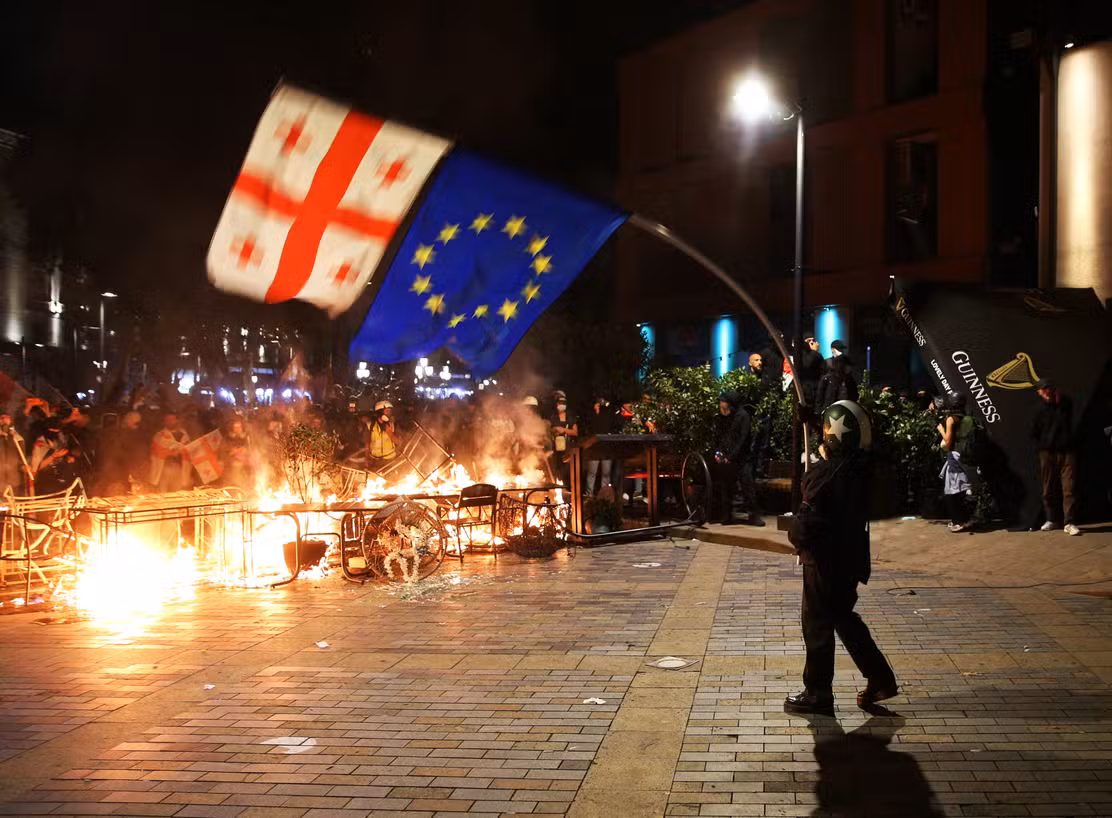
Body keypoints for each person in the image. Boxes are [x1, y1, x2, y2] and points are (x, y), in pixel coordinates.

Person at [785, 400, 898, 714]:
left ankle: (817, 691)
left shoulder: (825, 475)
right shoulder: (864, 465)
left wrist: (796, 533)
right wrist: (814, 421)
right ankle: (880, 679)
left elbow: (806, 524)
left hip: (825, 559)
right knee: (843, 618)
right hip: (850, 557)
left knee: (817, 622)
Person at [1031, 379, 1079, 536]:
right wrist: (1043, 447)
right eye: (1042, 389)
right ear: (1038, 392)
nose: (1046, 392)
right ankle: (1051, 519)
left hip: (1066, 451)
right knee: (1047, 488)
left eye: (1048, 388)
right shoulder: (1038, 410)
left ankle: (1069, 522)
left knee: (1069, 488)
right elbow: (1034, 432)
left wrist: (1057, 400)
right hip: (1047, 452)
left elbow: (1067, 415)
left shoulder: (1065, 405)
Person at [936, 394, 978, 533]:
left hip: (954, 457)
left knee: (952, 492)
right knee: (962, 489)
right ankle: (967, 519)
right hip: (965, 457)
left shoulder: (951, 419)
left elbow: (948, 443)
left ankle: (958, 522)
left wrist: (941, 429)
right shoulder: (966, 417)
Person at [708, 390, 750, 525]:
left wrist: (731, 456)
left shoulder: (742, 416)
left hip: (741, 458)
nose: (721, 404)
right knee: (725, 487)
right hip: (726, 457)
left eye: (723, 401)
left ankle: (753, 515)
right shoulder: (724, 417)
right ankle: (726, 516)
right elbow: (719, 437)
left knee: (746, 486)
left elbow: (742, 439)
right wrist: (718, 453)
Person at [150, 412, 192, 493]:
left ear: (177, 420)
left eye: (172, 419)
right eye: (168, 419)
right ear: (164, 422)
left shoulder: (184, 434)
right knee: (162, 493)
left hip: (179, 468)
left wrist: (181, 451)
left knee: (178, 492)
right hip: (164, 469)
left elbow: (188, 449)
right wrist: (170, 453)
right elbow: (156, 452)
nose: (170, 421)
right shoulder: (159, 435)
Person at [583, 396, 614, 496]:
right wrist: (594, 412)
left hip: (606, 447)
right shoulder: (591, 415)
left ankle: (605, 495)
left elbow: (611, 426)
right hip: (594, 448)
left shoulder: (608, 415)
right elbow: (588, 426)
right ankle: (589, 494)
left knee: (606, 473)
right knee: (592, 472)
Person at [547, 390, 577, 487]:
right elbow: (548, 431)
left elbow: (575, 432)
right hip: (556, 448)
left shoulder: (570, 417)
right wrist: (554, 430)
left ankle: (568, 488)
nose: (561, 405)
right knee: (557, 470)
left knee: (567, 470)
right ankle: (559, 489)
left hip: (567, 448)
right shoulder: (553, 417)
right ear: (556, 404)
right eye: (559, 403)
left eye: (563, 403)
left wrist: (563, 429)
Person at [0, 410, 29, 496]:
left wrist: (23, 466)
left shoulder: (17, 438)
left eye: (7, 418)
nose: (4, 420)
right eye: (2, 418)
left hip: (13, 478)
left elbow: (22, 457)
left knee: (13, 497)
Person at [367, 399, 398, 471]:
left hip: (389, 460)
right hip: (374, 460)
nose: (389, 414)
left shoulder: (393, 424)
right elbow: (367, 443)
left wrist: (390, 433)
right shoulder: (370, 425)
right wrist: (367, 459)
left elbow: (399, 442)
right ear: (380, 412)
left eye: (390, 411)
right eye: (387, 411)